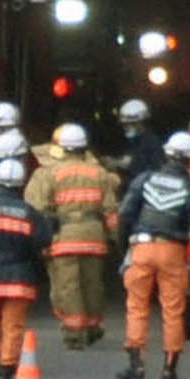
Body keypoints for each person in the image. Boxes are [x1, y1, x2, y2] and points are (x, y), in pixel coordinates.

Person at [116, 131, 190, 379]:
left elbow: (125, 215)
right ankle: (170, 367)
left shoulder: (144, 180)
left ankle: (136, 363)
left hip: (143, 247)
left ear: (166, 154)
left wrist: (123, 248)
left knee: (137, 305)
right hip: (173, 252)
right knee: (173, 309)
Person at [25, 122, 120, 350]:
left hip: (64, 238)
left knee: (68, 286)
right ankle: (93, 326)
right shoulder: (100, 174)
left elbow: (38, 210)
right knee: (92, 285)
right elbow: (110, 211)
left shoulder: (49, 174)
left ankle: (75, 333)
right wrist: (115, 239)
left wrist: (40, 242)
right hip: (94, 238)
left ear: (62, 148)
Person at [0, 158, 49, 379]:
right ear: (21, 184)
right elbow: (43, 241)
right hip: (19, 277)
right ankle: (7, 374)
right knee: (13, 326)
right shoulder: (29, 212)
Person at [114, 98, 162, 196]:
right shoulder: (132, 143)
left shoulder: (152, 145)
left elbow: (153, 174)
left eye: (130, 124)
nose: (126, 128)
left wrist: (127, 168)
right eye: (124, 125)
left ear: (141, 122)